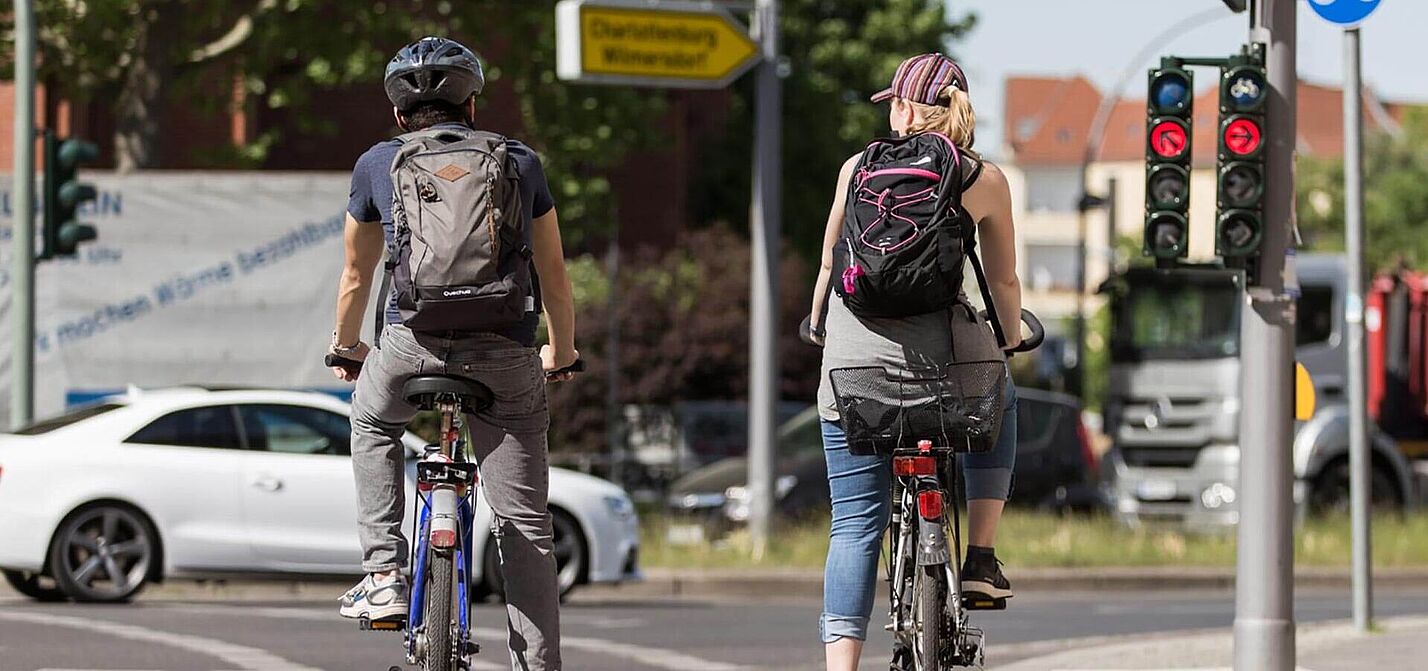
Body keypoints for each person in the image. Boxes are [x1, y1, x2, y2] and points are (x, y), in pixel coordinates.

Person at [329, 36, 577, 671]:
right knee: (525, 524)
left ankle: (384, 570)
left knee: (369, 419)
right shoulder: (519, 162)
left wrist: (346, 347)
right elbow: (552, 272)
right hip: (506, 350)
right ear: (473, 105)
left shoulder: (376, 165)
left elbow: (356, 276)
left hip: (410, 342)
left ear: (397, 114)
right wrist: (562, 350)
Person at [806, 53, 1023, 671]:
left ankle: (840, 666)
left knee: (853, 527)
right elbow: (1003, 283)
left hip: (854, 373)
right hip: (945, 374)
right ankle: (980, 555)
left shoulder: (856, 169)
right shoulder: (984, 178)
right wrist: (1007, 344)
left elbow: (828, 266)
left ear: (903, 108)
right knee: (1001, 392)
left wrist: (822, 328)